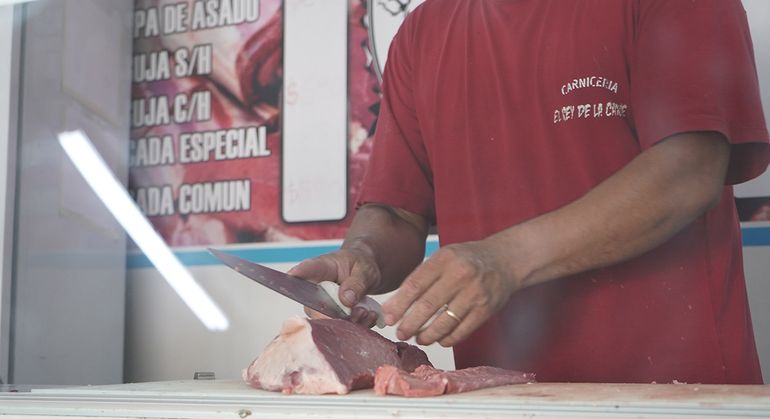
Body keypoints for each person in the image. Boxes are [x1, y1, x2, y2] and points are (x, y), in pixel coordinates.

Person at [290, 0, 770, 384]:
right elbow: (397, 211)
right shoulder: (423, 32)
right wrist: (364, 255)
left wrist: (505, 259)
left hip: (681, 396)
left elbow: (689, 171)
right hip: (506, 407)